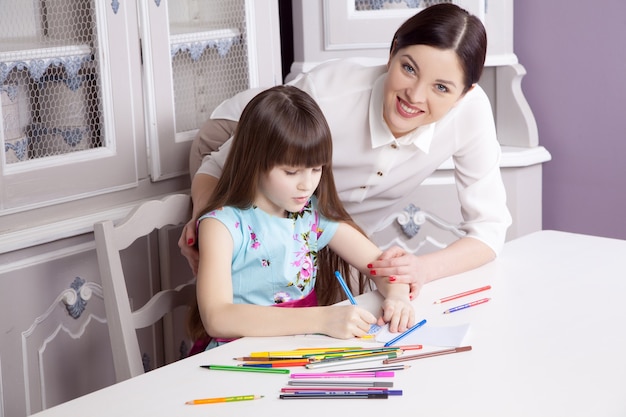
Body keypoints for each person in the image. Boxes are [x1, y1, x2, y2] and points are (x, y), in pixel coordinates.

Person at [181, 3, 512, 297]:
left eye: (441, 88)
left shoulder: (472, 114)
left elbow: (489, 228)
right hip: (243, 139)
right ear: (392, 52)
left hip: (325, 215)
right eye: (409, 68)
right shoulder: (330, 95)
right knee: (252, 282)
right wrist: (205, 219)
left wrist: (422, 268)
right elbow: (215, 164)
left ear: (464, 94)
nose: (415, 95)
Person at [187, 85, 415, 350]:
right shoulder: (222, 226)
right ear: (254, 160)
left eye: (316, 169)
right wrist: (322, 318)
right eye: (291, 172)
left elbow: (380, 265)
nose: (307, 185)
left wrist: (398, 297)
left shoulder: (310, 215)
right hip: (239, 357)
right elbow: (218, 318)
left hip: (302, 352)